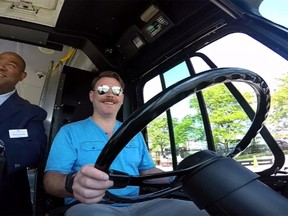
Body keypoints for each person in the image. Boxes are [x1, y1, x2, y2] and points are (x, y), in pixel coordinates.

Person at [43, 71, 208, 216]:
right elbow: (51, 179)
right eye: (102, 90)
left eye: (116, 91)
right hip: (90, 205)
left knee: (199, 211)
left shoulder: (134, 133)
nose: (110, 95)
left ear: (121, 98)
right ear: (92, 96)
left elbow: (146, 171)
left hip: (139, 203)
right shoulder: (69, 132)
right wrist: (72, 183)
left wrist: (180, 178)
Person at [0, 52, 47, 215]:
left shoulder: (31, 113)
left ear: (22, 76)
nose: (1, 66)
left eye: (11, 65)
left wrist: (2, 148)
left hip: (6, 199)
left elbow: (35, 149)